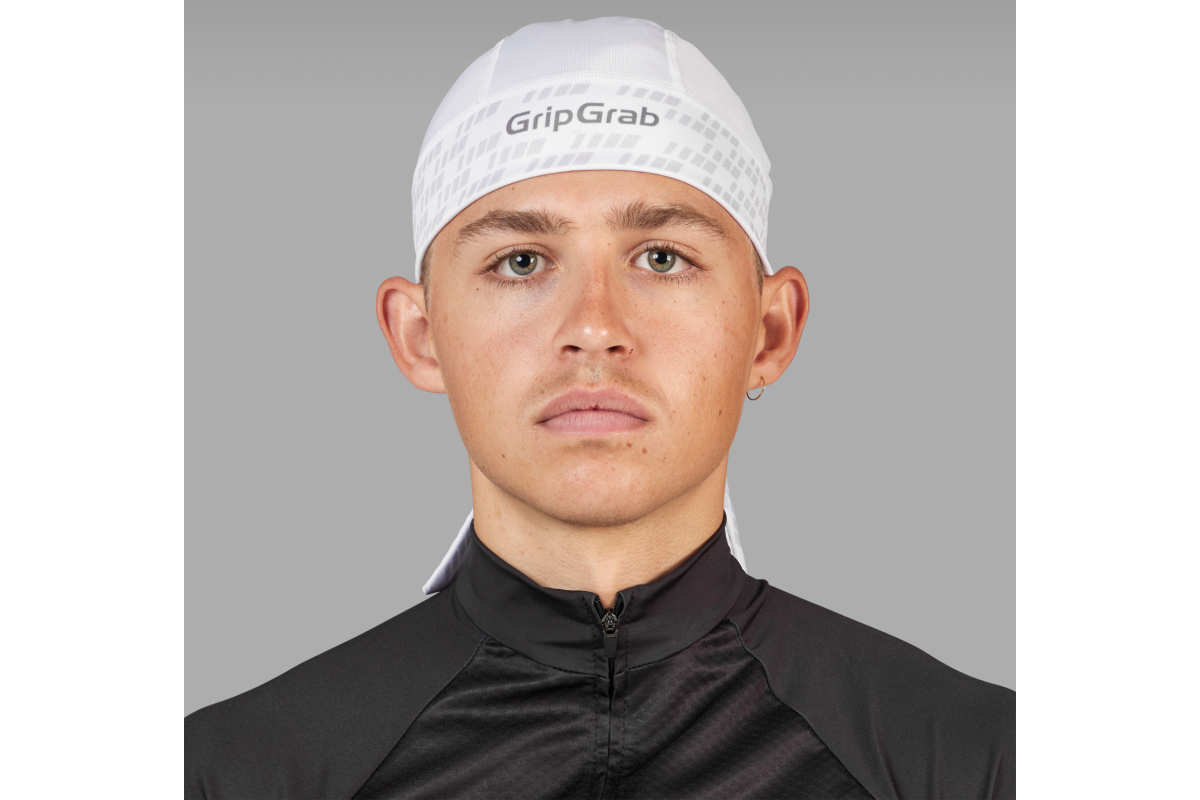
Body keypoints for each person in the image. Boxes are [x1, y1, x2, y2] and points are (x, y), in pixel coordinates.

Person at [185, 17, 1014, 799]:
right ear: (421, 335)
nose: (593, 326)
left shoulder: (971, 761)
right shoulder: (232, 773)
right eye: (520, 261)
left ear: (769, 330)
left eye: (662, 257)